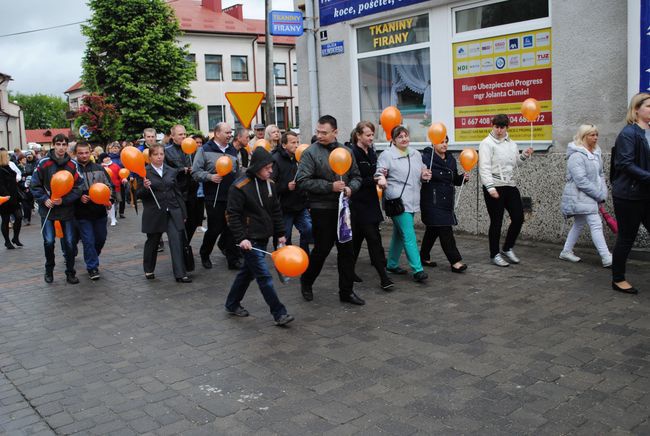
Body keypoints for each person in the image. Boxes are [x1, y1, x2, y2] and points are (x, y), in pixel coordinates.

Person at [295, 115, 365, 305]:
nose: (319, 135)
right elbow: (302, 182)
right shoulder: (310, 153)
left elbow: (357, 176)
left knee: (347, 251)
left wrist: (351, 188)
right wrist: (329, 186)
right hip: (322, 209)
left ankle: (347, 291)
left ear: (335, 132)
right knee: (322, 250)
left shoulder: (346, 151)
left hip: (344, 210)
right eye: (318, 131)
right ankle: (307, 280)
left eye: (324, 132)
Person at [225, 147, 294, 326]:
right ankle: (279, 313)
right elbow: (232, 215)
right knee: (264, 276)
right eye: (267, 167)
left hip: (263, 237)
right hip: (249, 240)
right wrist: (241, 239)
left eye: (271, 167)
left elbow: (276, 211)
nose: (271, 170)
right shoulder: (239, 187)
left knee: (247, 273)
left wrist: (280, 234)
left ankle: (232, 303)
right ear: (257, 167)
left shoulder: (270, 184)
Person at [375, 125, 431, 282]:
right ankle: (418, 270)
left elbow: (421, 172)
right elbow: (379, 172)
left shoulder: (415, 154)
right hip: (397, 201)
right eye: (400, 137)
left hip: (413, 199)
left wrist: (424, 175)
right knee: (409, 234)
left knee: (399, 234)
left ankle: (392, 264)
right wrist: (381, 178)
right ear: (393, 140)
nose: (404, 139)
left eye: (406, 135)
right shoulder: (387, 155)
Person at [478, 114, 533, 267]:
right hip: (494, 186)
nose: (499, 130)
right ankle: (494, 254)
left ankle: (507, 248)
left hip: (509, 185)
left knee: (518, 217)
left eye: (502, 127)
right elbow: (484, 167)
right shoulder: (486, 144)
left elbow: (515, 163)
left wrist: (524, 156)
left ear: (507, 127)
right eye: (497, 127)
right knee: (496, 221)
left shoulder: (511, 143)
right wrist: (490, 187)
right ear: (492, 126)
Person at [611, 93, 650, 294]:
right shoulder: (628, 133)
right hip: (629, 195)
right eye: (649, 106)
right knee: (627, 238)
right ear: (636, 110)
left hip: (646, 193)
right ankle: (618, 279)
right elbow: (624, 164)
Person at [30, 134, 83, 284]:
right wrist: (44, 199)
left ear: (67, 146)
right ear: (53, 145)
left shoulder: (73, 164)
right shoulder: (43, 163)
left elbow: (78, 187)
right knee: (48, 241)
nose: (61, 147)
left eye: (64, 144)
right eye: (58, 144)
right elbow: (35, 185)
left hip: (66, 210)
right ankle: (49, 269)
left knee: (70, 242)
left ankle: (70, 272)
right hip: (48, 210)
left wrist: (64, 200)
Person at [137, 143, 191, 283]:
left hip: (172, 210)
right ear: (149, 157)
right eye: (156, 154)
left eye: (161, 154)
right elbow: (138, 194)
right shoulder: (144, 172)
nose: (159, 157)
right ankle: (148, 269)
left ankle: (180, 273)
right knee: (153, 242)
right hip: (155, 213)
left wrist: (183, 213)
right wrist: (144, 187)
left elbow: (177, 193)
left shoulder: (171, 171)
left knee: (176, 241)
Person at [348, 122, 393, 290]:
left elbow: (374, 172)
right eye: (368, 135)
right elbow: (355, 180)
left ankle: (349, 270)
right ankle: (384, 277)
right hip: (358, 204)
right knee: (373, 239)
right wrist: (374, 180)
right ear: (359, 136)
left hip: (371, 201)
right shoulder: (353, 153)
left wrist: (381, 176)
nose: (371, 138)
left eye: (372, 135)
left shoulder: (372, 152)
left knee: (358, 241)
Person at [559, 124, 612, 266]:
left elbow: (600, 174)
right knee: (595, 224)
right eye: (592, 135)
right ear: (584, 136)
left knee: (579, 223)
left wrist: (603, 192)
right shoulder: (576, 155)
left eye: (596, 134)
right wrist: (598, 194)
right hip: (580, 196)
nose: (596, 138)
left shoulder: (595, 153)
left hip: (591, 196)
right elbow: (580, 181)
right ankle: (606, 257)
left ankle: (566, 251)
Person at [191, 122, 241, 270]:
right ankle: (205, 253)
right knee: (215, 228)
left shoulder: (232, 149)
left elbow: (236, 171)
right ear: (217, 133)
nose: (230, 135)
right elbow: (195, 172)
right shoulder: (204, 150)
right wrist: (209, 177)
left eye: (230, 132)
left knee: (232, 228)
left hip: (231, 195)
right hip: (213, 196)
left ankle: (233, 260)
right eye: (227, 132)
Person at [420, 136, 469, 273]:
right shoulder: (426, 159)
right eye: (441, 142)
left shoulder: (451, 159)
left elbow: (454, 179)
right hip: (432, 200)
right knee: (445, 230)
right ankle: (455, 261)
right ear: (433, 143)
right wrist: (423, 176)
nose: (444, 145)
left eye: (446, 142)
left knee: (433, 229)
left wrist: (462, 179)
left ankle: (423, 256)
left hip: (447, 201)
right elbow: (420, 177)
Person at [74, 142, 115, 280]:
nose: (84, 155)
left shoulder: (99, 169)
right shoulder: (72, 171)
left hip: (99, 212)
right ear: (76, 154)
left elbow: (109, 186)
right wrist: (79, 197)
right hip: (82, 214)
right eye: (81, 153)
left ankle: (91, 256)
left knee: (100, 238)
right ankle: (92, 267)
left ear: (90, 152)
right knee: (88, 241)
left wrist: (110, 200)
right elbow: (68, 191)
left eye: (86, 152)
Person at [272, 131, 312, 254]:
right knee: (285, 235)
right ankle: (284, 257)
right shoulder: (275, 159)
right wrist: (286, 187)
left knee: (308, 229)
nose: (296, 145)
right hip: (284, 207)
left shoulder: (300, 157)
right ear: (284, 145)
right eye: (293, 142)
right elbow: (270, 185)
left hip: (300, 204)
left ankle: (304, 253)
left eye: (297, 142)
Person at [165, 124, 200, 243]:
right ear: (173, 136)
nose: (183, 136)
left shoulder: (192, 149)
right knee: (180, 222)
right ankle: (182, 247)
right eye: (180, 134)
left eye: (184, 134)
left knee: (193, 222)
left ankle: (186, 243)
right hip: (177, 192)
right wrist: (181, 170)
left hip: (192, 190)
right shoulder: (167, 151)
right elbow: (165, 171)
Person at [0, 149, 23, 249]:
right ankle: (7, 241)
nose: (9, 157)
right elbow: (0, 185)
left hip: (14, 197)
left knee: (19, 216)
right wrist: (6, 195)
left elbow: (16, 176)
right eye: (7, 156)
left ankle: (15, 238)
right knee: (5, 220)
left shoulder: (9, 166)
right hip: (5, 199)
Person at [100, 152, 121, 226]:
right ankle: (112, 218)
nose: (107, 159)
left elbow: (120, 174)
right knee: (109, 203)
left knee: (116, 202)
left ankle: (113, 217)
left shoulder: (115, 165)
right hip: (105, 188)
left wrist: (121, 180)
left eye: (108, 157)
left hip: (115, 187)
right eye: (105, 158)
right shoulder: (100, 167)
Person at [108, 141, 127, 218]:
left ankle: (121, 212)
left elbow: (125, 167)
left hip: (122, 180)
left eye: (117, 147)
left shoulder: (122, 157)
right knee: (113, 197)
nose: (115, 149)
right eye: (113, 147)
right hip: (112, 180)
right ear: (110, 149)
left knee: (122, 197)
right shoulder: (108, 158)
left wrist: (126, 176)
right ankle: (114, 212)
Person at [21, 150, 36, 225]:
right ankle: (27, 217)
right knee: (26, 201)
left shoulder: (35, 163)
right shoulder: (25, 164)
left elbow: (35, 172)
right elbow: (24, 172)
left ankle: (28, 216)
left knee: (30, 201)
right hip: (26, 184)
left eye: (30, 156)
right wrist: (24, 175)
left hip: (33, 183)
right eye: (27, 156)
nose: (29, 157)